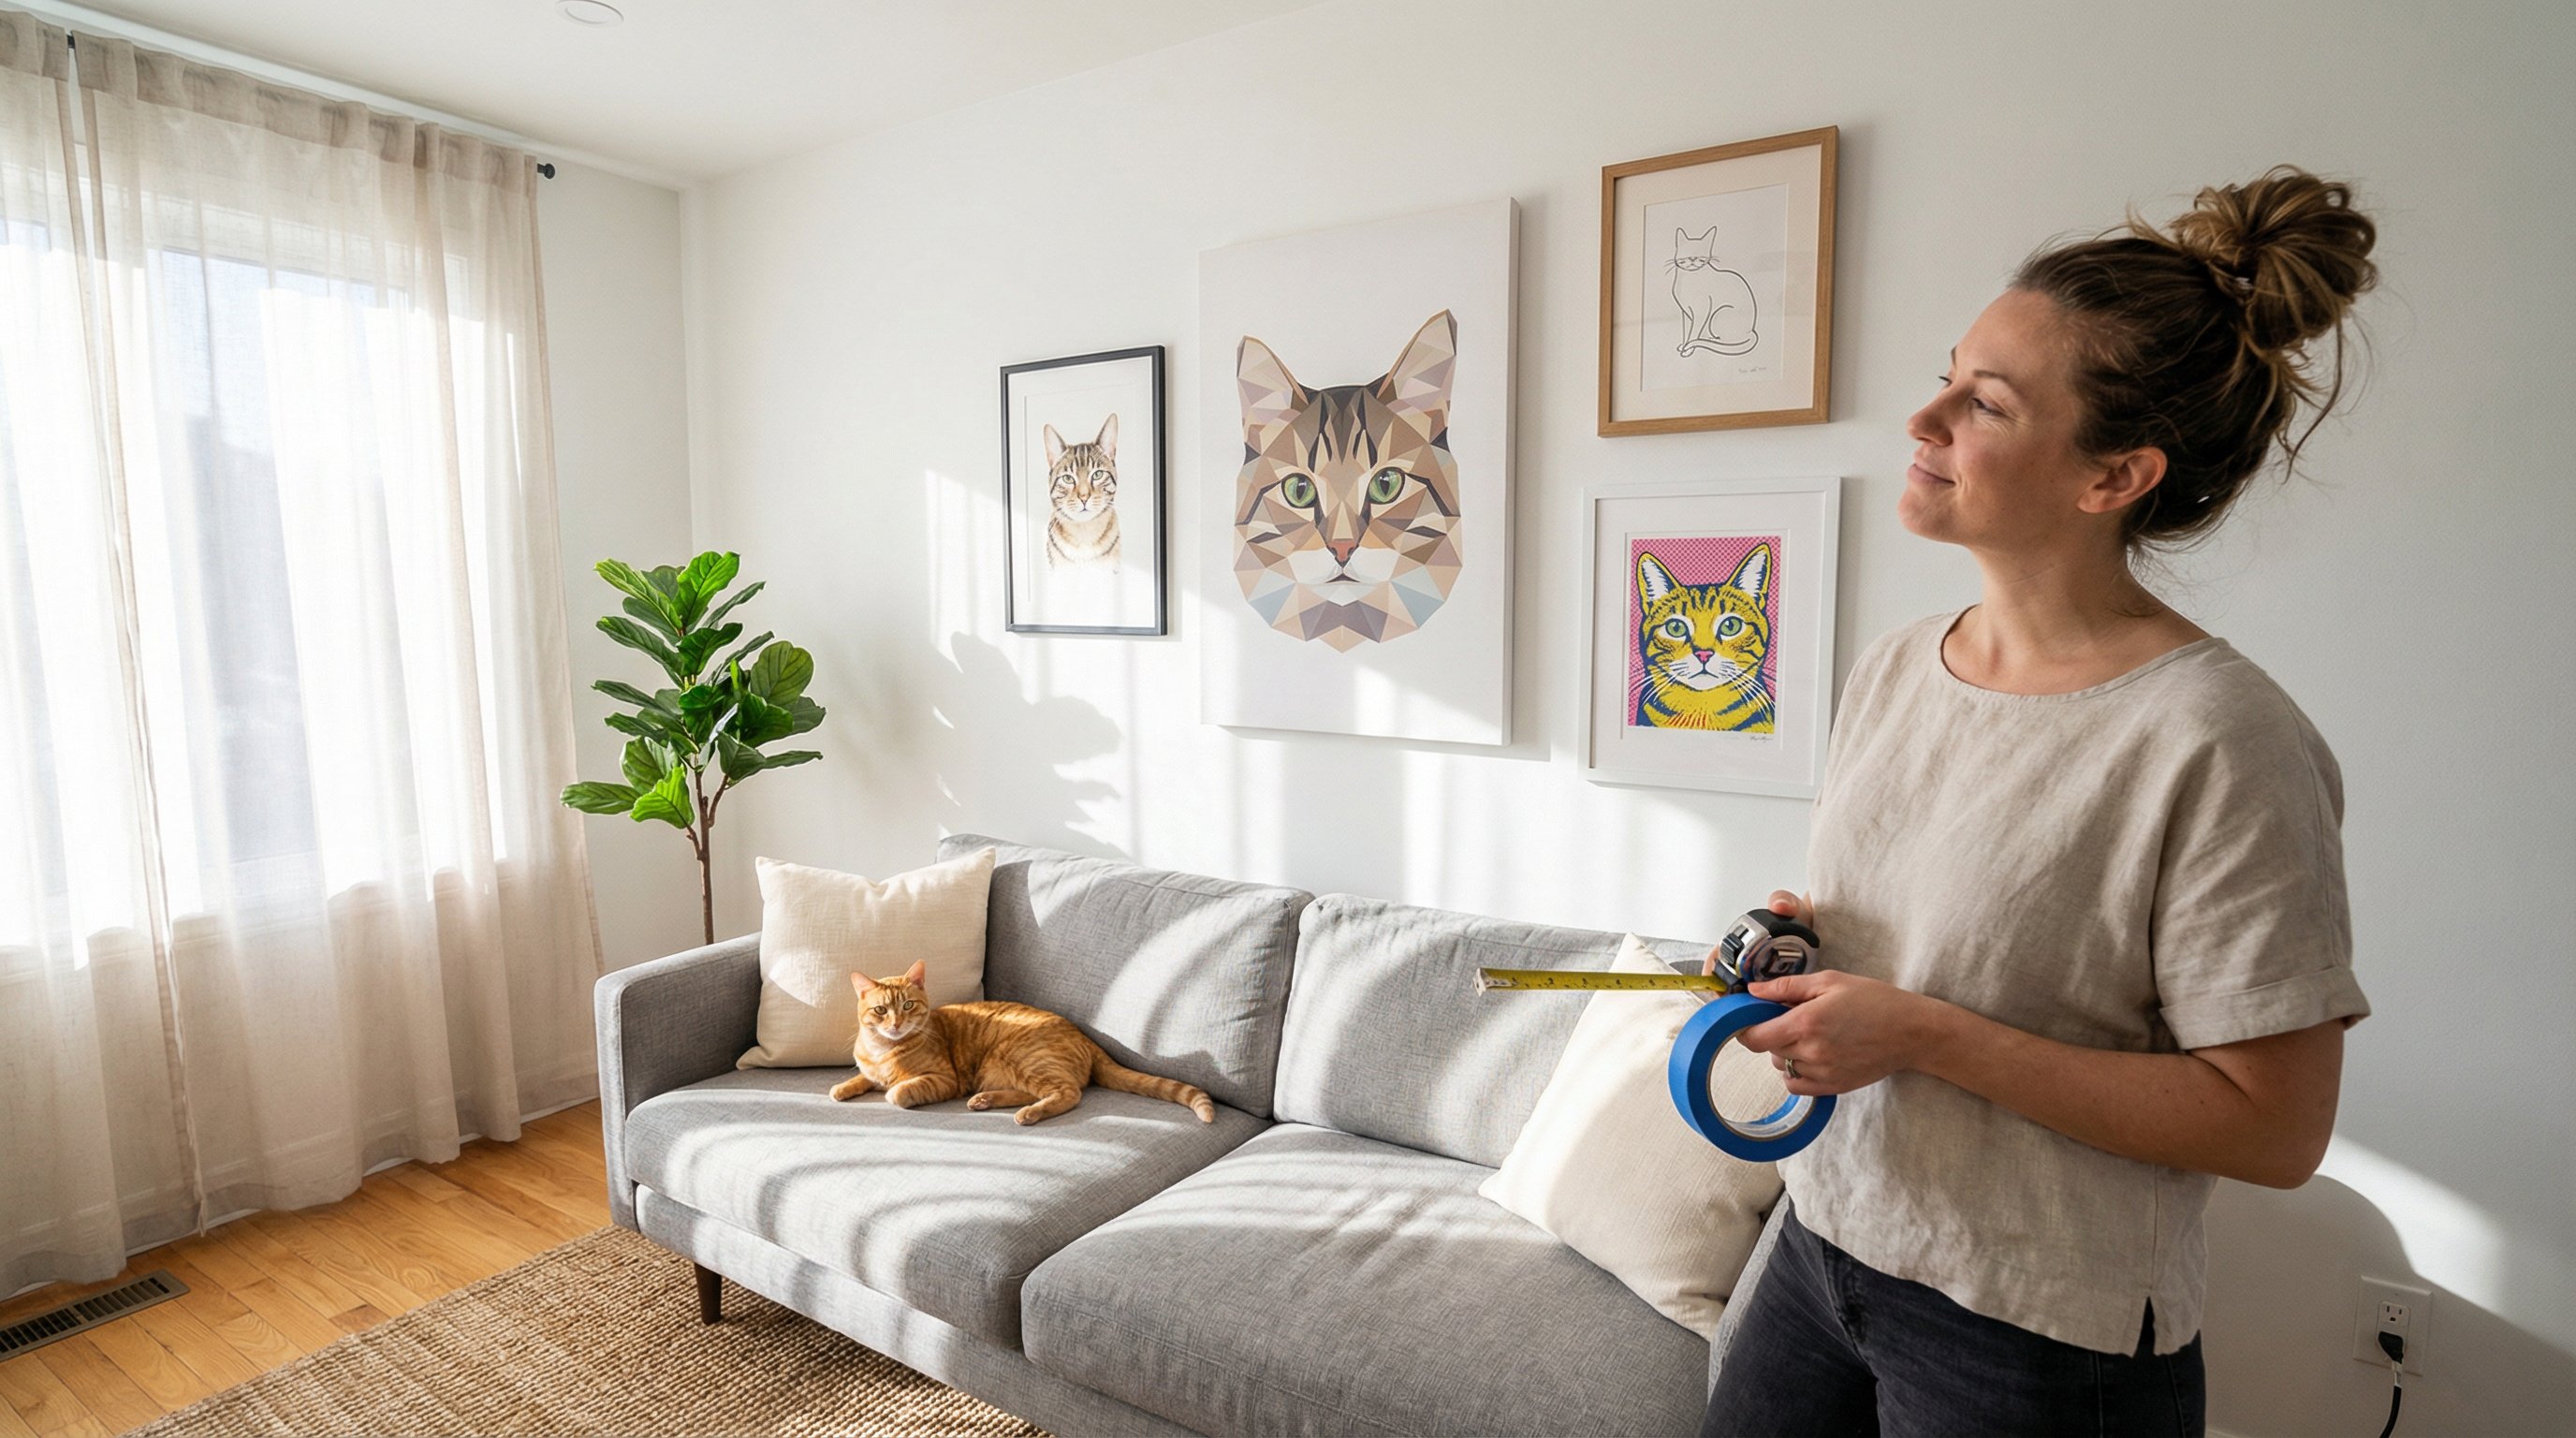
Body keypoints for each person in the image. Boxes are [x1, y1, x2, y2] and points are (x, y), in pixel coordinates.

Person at [1700, 168, 2379, 1438]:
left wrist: (1922, 1034)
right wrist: (1799, 949)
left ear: (2114, 475)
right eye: (1949, 375)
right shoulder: (1897, 666)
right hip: (1823, 1238)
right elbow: (1944, 935)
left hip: (2035, 1335)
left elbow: (2276, 1130)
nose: (1924, 416)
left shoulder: (2220, 739)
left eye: (1987, 402)